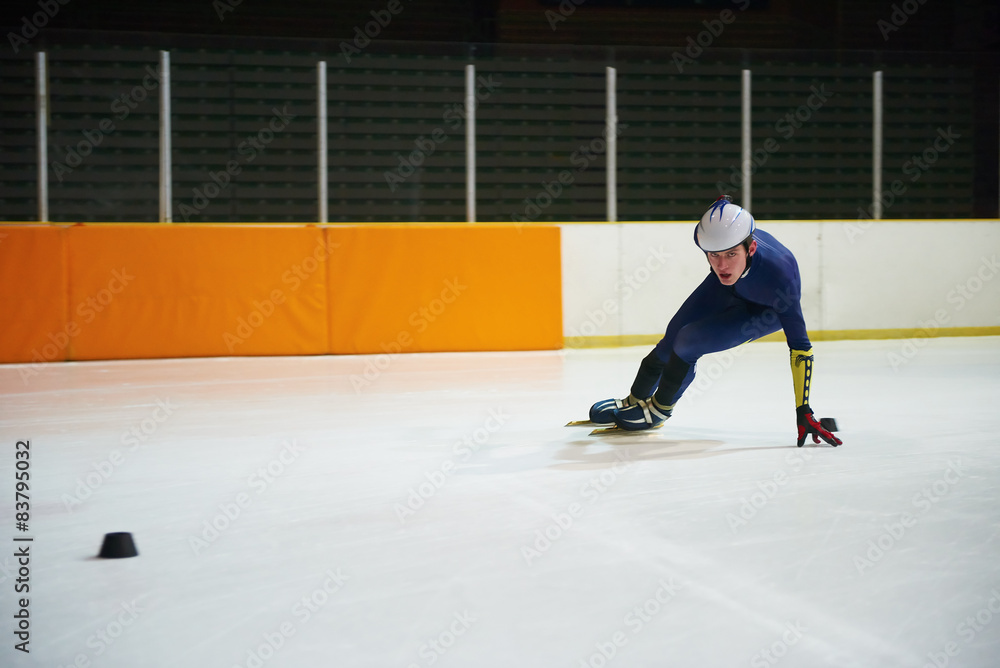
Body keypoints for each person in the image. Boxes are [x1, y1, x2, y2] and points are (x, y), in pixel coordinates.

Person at [589, 195, 841, 447]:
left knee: (688, 341)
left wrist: (803, 410)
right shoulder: (713, 237)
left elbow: (801, 346)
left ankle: (659, 410)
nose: (721, 264)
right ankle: (635, 398)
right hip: (730, 288)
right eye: (713, 255)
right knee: (671, 337)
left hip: (765, 309)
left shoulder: (780, 279)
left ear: (750, 248)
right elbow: (721, 205)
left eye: (731, 254)